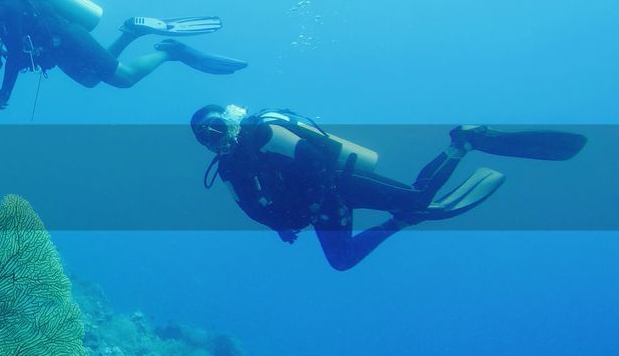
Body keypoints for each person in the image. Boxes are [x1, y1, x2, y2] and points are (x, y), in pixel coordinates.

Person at [189, 105, 587, 270]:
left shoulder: (262, 133)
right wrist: (282, 224)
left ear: (231, 121)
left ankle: (463, 141)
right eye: (205, 137)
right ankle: (402, 222)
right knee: (341, 260)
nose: (214, 138)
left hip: (341, 185)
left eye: (216, 128)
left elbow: (315, 158)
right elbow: (252, 208)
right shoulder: (228, 168)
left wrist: (320, 201)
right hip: (321, 208)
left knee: (417, 198)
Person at [0, 0, 247, 111]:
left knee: (125, 78)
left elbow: (15, 53)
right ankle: (130, 33)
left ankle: (170, 52)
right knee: (93, 81)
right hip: (57, 52)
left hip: (68, 39)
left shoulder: (8, 4)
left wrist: (4, 94)